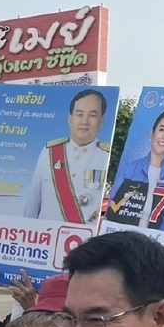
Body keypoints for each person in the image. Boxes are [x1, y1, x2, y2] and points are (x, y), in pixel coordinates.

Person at [23, 89, 113, 225]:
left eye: (92, 115)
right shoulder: (49, 152)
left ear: (101, 121)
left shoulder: (106, 156)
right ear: (70, 119)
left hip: (85, 242)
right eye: (79, 114)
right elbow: (33, 202)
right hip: (45, 238)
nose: (85, 121)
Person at [105, 109, 164, 233]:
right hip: (124, 240)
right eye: (162, 129)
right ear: (152, 133)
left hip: (155, 245)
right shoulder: (129, 169)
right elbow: (112, 209)